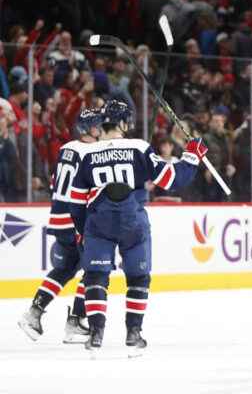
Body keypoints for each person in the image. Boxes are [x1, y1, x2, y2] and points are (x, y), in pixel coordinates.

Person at [68, 100, 208, 356]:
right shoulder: (138, 147)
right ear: (123, 123)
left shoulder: (87, 153)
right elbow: (171, 179)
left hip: (99, 221)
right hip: (132, 220)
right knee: (138, 277)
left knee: (96, 277)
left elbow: (76, 200)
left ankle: (96, 333)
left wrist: (82, 230)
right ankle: (133, 333)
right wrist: (192, 156)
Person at [17, 108, 102, 343]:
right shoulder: (92, 151)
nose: (101, 129)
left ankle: (34, 312)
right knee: (95, 268)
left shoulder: (67, 148)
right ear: (89, 128)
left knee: (65, 269)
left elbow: (55, 180)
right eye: (98, 125)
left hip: (58, 214)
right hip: (77, 218)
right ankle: (75, 319)